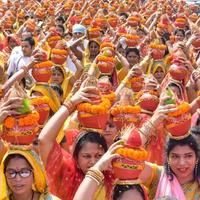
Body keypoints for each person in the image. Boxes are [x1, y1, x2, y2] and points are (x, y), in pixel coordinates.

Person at [38, 79, 114, 200]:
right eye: (87, 156)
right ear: (76, 158)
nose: (93, 162)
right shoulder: (66, 173)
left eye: (99, 155)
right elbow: (44, 140)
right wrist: (71, 104)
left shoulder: (113, 177)